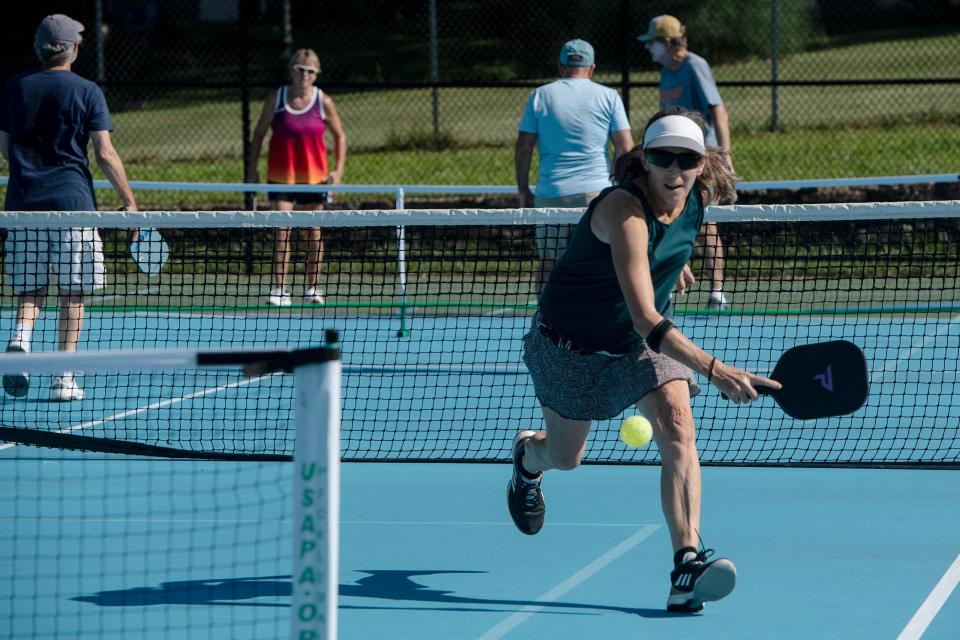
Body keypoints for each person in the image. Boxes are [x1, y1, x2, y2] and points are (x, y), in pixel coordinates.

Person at [507, 108, 781, 613]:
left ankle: (686, 565)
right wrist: (717, 371)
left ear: (702, 162)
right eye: (663, 157)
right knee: (566, 457)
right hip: (572, 347)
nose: (674, 169)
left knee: (679, 429)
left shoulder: (696, 200)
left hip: (640, 350)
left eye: (687, 158)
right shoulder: (621, 210)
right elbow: (644, 318)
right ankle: (528, 460)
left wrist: (674, 266)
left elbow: (665, 253)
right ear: (644, 159)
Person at [0, 14, 138, 402]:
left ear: (38, 48)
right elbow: (105, 153)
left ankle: (20, 339)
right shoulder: (88, 90)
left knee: (30, 291)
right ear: (74, 49)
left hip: (23, 206)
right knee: (73, 293)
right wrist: (130, 202)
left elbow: (6, 150)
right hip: (73, 206)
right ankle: (63, 376)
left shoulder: (14, 88)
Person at [515, 39, 634, 296]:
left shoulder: (539, 96)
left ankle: (544, 324)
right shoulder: (609, 96)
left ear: (560, 67)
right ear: (591, 69)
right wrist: (622, 189)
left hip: (550, 194)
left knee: (549, 264)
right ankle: (597, 325)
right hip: (596, 196)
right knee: (599, 263)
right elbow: (625, 147)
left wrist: (523, 189)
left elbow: (523, 147)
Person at [639, 15, 733, 308]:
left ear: (667, 42)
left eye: (652, 43)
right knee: (666, 219)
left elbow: (719, 111)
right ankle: (665, 284)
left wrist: (725, 157)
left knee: (707, 224)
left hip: (700, 161)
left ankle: (716, 291)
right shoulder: (667, 72)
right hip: (671, 162)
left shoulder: (695, 65)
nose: (648, 49)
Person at [246, 48, 346, 307]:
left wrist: (338, 170)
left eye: (310, 72)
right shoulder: (276, 98)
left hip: (314, 180)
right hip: (281, 177)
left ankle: (312, 288)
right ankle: (280, 289)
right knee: (282, 231)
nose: (304, 76)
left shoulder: (324, 102)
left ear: (316, 75)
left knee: (313, 234)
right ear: (292, 71)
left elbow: (340, 137)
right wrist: (252, 169)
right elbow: (258, 134)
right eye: (300, 70)